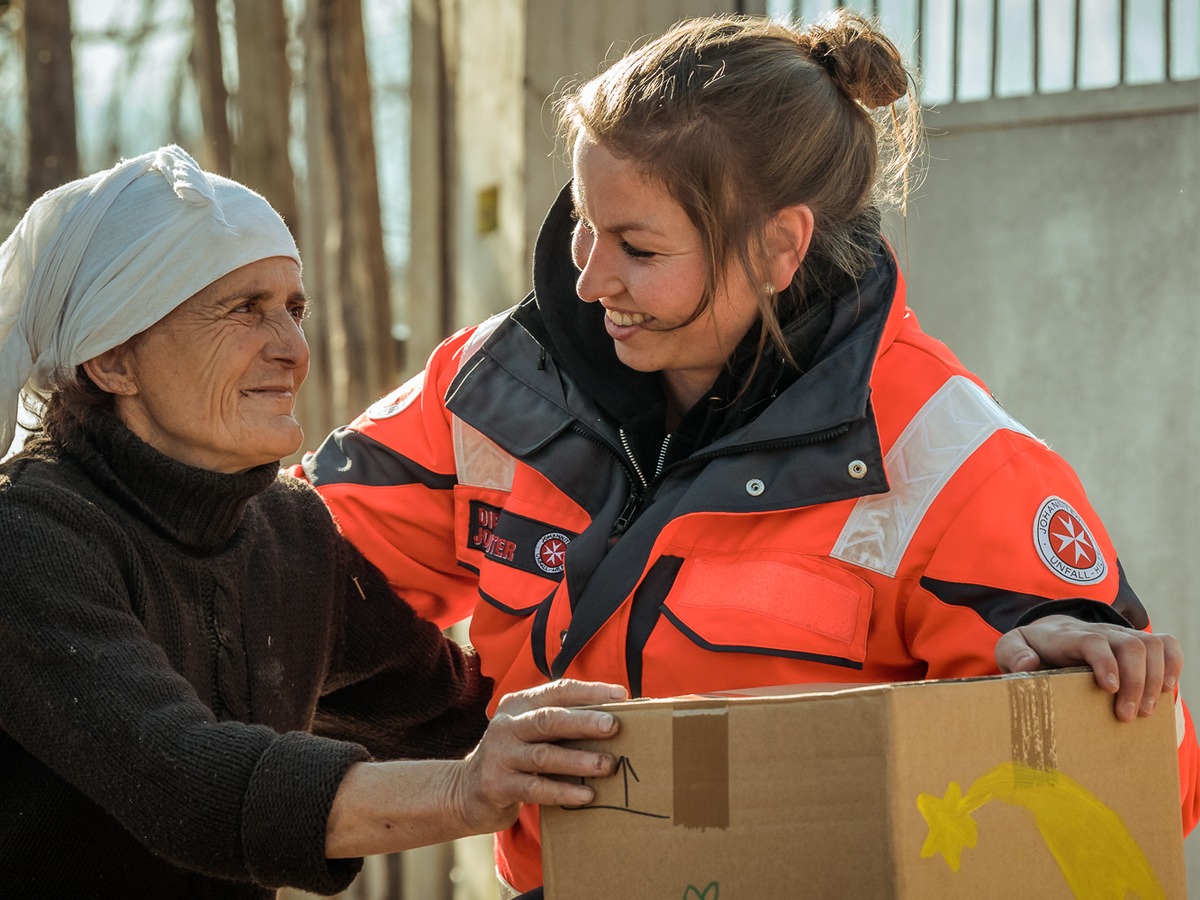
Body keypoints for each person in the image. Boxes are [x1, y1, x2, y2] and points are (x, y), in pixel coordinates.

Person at [296, 12, 1199, 896]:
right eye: (585, 222)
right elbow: (283, 582)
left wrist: (1073, 692)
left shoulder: (955, 464)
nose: (587, 278)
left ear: (779, 247)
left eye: (638, 247)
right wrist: (444, 736)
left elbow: (1146, 790)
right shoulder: (492, 387)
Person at [0, 145, 625, 899]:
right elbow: (189, 784)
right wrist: (465, 791)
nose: (293, 350)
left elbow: (452, 718)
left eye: (294, 309)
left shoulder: (289, 532)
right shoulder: (26, 540)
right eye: (243, 310)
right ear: (113, 362)